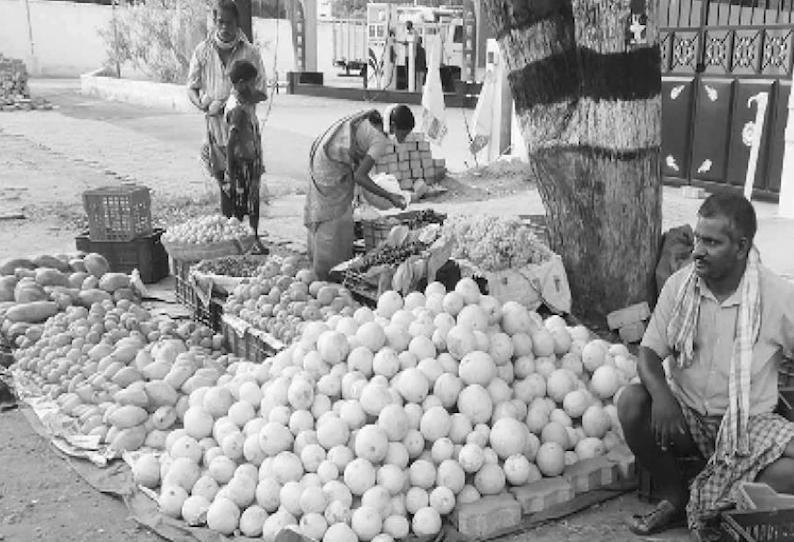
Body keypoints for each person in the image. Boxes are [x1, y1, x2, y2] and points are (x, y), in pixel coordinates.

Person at [617, 192, 794, 541]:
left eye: (712, 242)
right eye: (699, 238)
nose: (698, 250)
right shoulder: (680, 285)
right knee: (632, 403)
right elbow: (649, 354)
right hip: (686, 420)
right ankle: (676, 496)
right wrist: (663, 397)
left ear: (741, 247)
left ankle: (719, 504)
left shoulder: (777, 295)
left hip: (748, 425)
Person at [303, 104, 415, 280]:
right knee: (334, 217)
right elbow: (360, 177)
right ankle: (329, 272)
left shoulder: (373, 121)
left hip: (323, 156)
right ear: (393, 126)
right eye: (404, 132)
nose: (404, 137)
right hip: (330, 167)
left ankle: (321, 267)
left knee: (330, 211)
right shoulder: (380, 140)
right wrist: (390, 196)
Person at [187, 0, 267, 222]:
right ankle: (232, 232)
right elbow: (191, 88)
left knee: (251, 187)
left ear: (237, 23)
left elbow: (262, 92)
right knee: (225, 186)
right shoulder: (202, 51)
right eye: (220, 22)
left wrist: (237, 98)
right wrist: (203, 104)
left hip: (244, 131)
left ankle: (253, 235)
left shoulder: (250, 52)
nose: (224, 27)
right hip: (216, 132)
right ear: (214, 21)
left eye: (229, 23)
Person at [224, 60, 266, 252]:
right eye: (251, 82)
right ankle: (243, 243)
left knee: (252, 202)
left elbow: (261, 95)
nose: (254, 86)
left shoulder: (244, 101)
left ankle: (252, 239)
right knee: (243, 206)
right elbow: (231, 141)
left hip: (251, 162)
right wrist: (230, 171)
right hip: (243, 165)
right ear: (241, 83)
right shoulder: (237, 109)